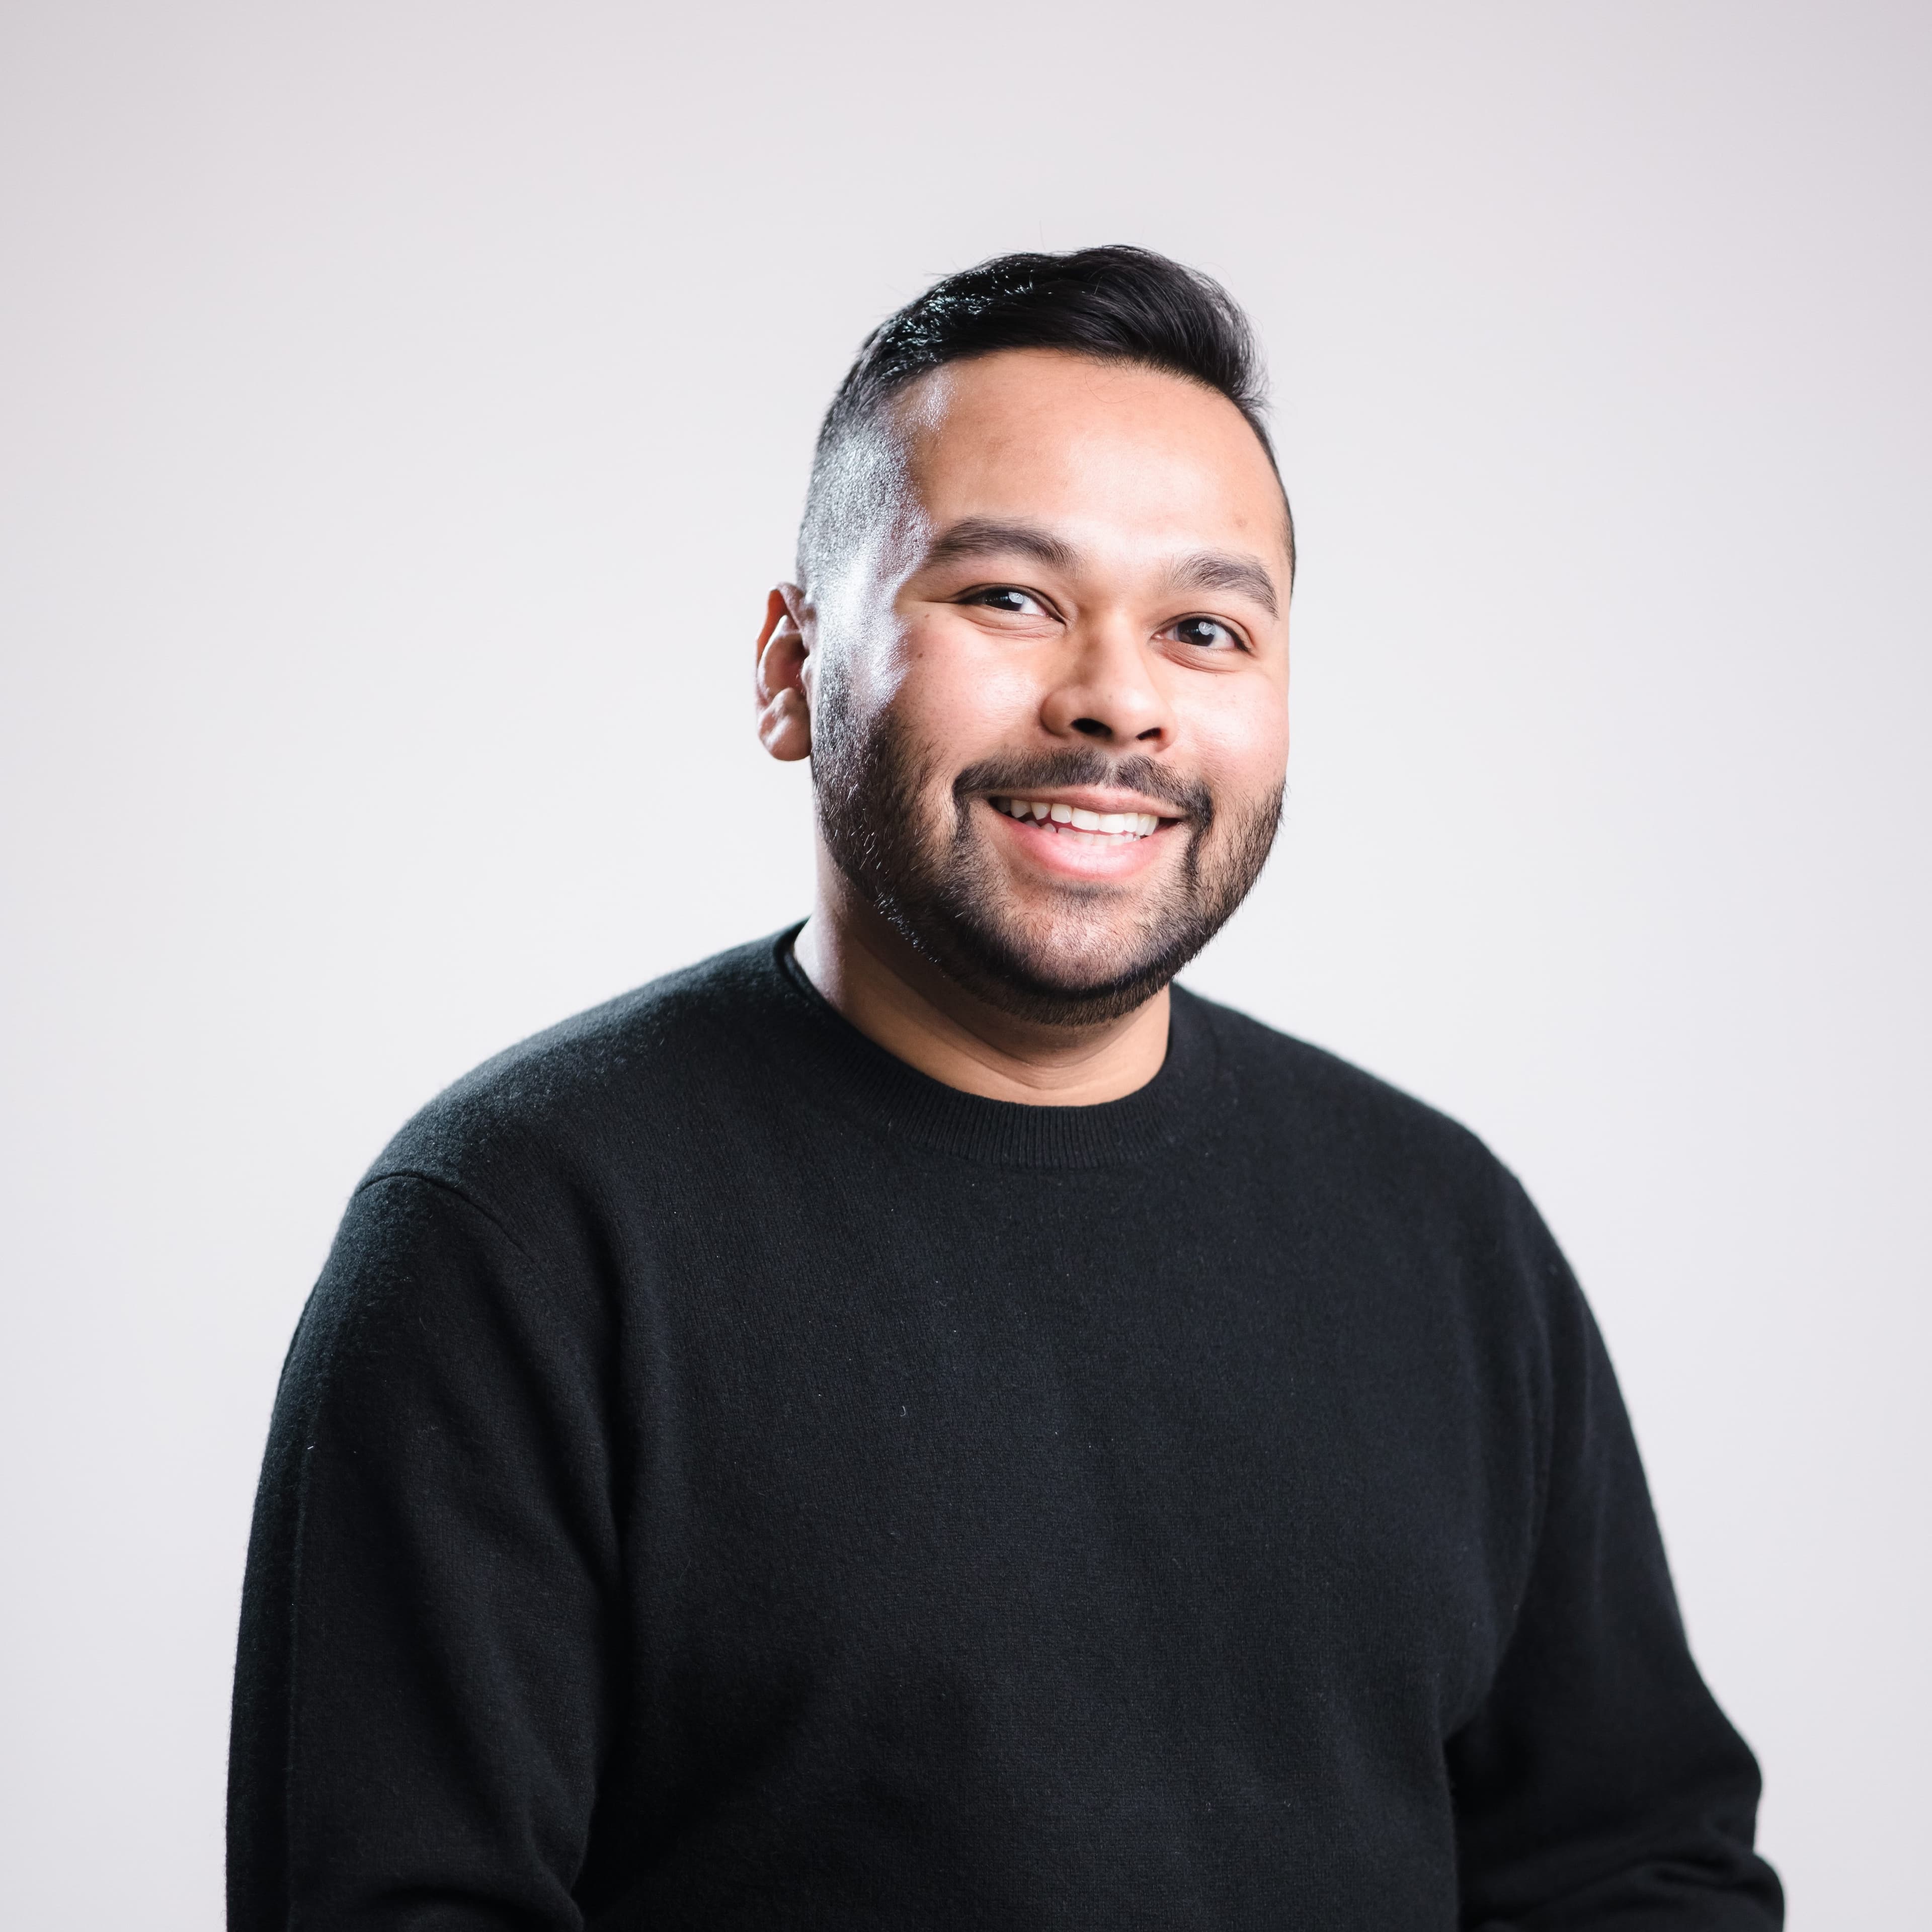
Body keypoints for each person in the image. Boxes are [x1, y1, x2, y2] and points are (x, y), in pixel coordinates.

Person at [228, 246, 1782, 1928]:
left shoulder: (1445, 1233)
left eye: (1204, 629)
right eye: (1010, 599)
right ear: (788, 669)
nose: (1117, 701)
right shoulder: (515, 1237)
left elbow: (1634, 1869)